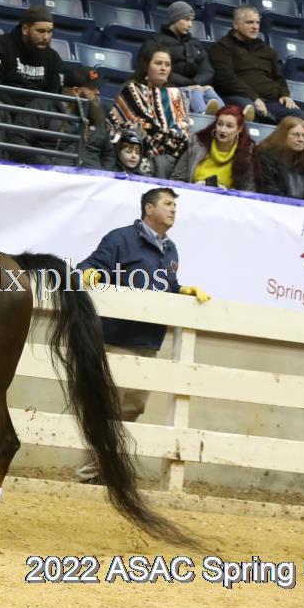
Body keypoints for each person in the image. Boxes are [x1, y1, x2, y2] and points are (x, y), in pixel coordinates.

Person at [73, 188, 209, 482]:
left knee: (133, 407)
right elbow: (91, 266)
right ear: (149, 208)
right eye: (168, 204)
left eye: (175, 206)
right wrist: (88, 274)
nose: (173, 210)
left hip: (149, 341)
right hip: (116, 337)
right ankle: (89, 473)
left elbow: (165, 285)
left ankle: (106, 469)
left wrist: (180, 291)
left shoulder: (170, 249)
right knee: (108, 405)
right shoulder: (121, 239)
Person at [0, 6, 65, 160]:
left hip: (32, 118)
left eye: (50, 32)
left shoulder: (53, 58)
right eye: (40, 31)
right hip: (2, 109)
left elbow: (53, 94)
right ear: (25, 29)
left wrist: (29, 116)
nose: (46, 37)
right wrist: (15, 110)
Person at [209, 5, 304, 126]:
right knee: (249, 109)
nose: (255, 27)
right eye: (250, 22)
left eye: (257, 23)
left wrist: (285, 95)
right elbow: (226, 79)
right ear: (236, 25)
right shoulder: (222, 47)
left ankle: (273, 119)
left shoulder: (267, 50)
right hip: (238, 98)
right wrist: (254, 98)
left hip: (270, 102)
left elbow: (279, 78)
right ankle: (274, 121)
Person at [108, 46, 191, 177]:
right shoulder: (131, 89)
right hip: (138, 152)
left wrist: (167, 136)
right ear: (147, 66)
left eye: (167, 65)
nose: (163, 68)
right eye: (158, 63)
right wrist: (163, 135)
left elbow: (183, 127)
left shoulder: (176, 95)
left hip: (172, 155)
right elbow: (135, 125)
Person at [6, 65, 112, 168]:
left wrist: (105, 174)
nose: (97, 92)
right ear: (76, 91)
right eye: (92, 88)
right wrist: (47, 167)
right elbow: (17, 140)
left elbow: (109, 154)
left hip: (94, 177)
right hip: (54, 175)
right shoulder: (42, 107)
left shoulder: (97, 113)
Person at [142, 1, 226, 115]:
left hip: (194, 88)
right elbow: (154, 70)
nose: (190, 24)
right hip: (170, 88)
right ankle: (203, 117)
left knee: (208, 90)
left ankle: (228, 116)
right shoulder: (156, 42)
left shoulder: (195, 43)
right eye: (186, 19)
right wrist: (189, 84)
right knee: (195, 91)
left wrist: (195, 83)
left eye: (191, 20)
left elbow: (207, 70)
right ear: (174, 19)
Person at [169, 105, 260, 192]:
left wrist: (226, 193)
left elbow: (248, 191)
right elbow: (176, 179)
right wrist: (193, 187)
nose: (223, 130)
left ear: (239, 129)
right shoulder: (197, 143)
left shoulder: (247, 152)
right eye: (220, 124)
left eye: (229, 126)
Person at [257, 117, 304, 203]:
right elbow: (269, 191)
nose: (301, 140)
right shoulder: (266, 158)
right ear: (283, 136)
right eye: (296, 135)